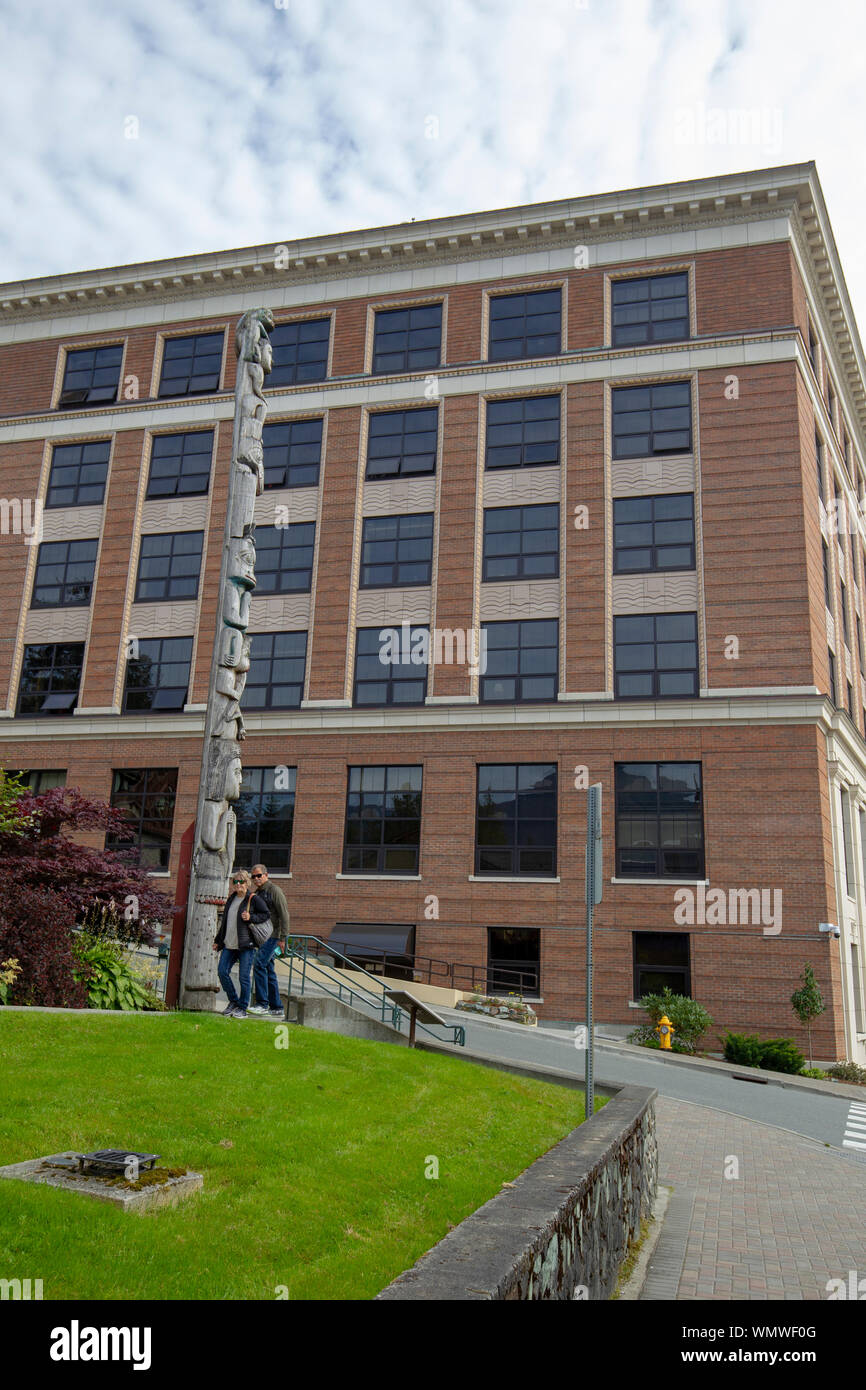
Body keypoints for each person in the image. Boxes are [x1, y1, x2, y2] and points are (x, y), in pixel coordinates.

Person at [213, 869, 271, 1019]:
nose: (238, 885)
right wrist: (218, 942)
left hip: (246, 945)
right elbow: (225, 923)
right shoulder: (231, 899)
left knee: (244, 977)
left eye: (242, 882)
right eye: (236, 882)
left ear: (248, 883)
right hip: (229, 944)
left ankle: (242, 1007)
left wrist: (251, 917)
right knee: (222, 972)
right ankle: (233, 1001)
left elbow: (266, 914)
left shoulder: (253, 898)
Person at [248, 863, 290, 1017]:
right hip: (261, 936)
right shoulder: (257, 893)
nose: (256, 879)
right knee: (269, 970)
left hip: (273, 936)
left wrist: (283, 938)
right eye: (253, 877)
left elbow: (284, 915)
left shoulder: (275, 891)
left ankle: (262, 1004)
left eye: (259, 875)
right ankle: (277, 1007)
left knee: (259, 964)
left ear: (266, 875)